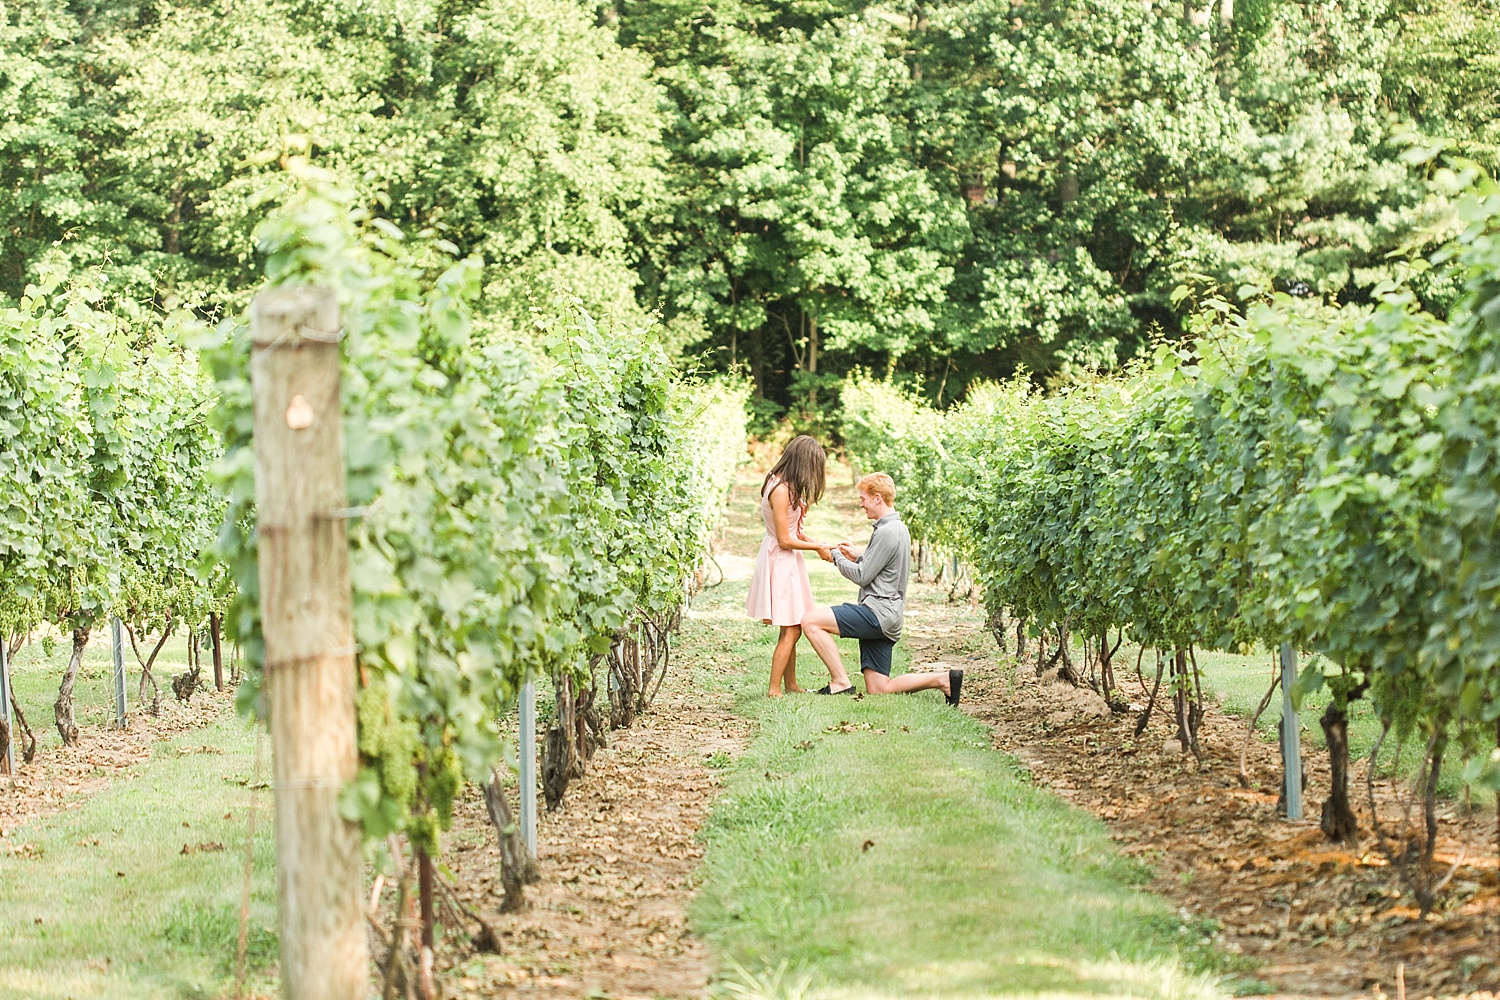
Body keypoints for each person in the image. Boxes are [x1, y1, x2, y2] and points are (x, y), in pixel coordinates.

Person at [801, 472, 963, 704]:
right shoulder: (898, 528)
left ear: (877, 498)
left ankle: (840, 682)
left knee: (810, 621)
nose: (860, 504)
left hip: (876, 614)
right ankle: (942, 679)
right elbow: (880, 568)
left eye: (863, 498)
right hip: (889, 617)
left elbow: (862, 576)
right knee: (879, 688)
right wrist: (858, 556)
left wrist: (835, 555)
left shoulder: (887, 531)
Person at [745, 434, 837, 697]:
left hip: (787, 560)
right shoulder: (781, 490)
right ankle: (775, 689)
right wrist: (816, 548)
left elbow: (794, 531)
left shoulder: (784, 484)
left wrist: (821, 543)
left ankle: (791, 685)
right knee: (793, 629)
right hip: (781, 561)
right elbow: (785, 540)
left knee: (790, 625)